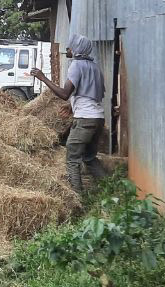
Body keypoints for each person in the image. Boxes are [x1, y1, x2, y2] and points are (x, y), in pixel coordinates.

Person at [30, 33, 109, 195]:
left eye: (70, 47)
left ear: (77, 50)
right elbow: (90, 95)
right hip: (98, 118)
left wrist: (43, 78)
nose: (67, 49)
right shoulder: (95, 67)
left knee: (72, 159)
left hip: (85, 120)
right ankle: (110, 189)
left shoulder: (76, 65)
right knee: (89, 157)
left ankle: (77, 198)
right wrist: (72, 106)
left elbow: (65, 93)